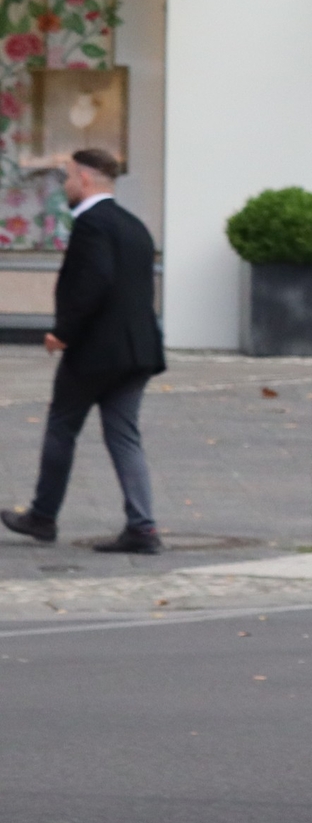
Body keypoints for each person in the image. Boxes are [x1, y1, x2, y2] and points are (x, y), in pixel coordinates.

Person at [2, 150, 168, 554]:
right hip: (138, 351)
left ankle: (43, 516)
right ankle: (142, 527)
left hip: (96, 352)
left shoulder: (92, 224)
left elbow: (95, 279)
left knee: (62, 426)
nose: (64, 186)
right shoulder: (134, 226)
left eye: (68, 178)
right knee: (124, 435)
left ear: (86, 179)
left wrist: (63, 332)